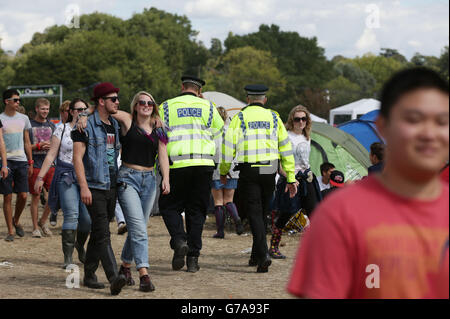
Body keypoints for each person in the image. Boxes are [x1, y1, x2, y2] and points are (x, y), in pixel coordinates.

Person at [288, 67, 449, 299]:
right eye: (413, 120)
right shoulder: (338, 214)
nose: (428, 133)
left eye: (441, 121)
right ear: (383, 127)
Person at [220, 84, 297, 272]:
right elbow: (285, 147)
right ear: (265, 100)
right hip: (269, 169)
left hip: (250, 170)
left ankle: (263, 255)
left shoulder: (240, 117)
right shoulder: (274, 117)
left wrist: (223, 169)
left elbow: (228, 146)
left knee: (254, 212)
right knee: (262, 213)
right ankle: (256, 255)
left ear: (247, 99)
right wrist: (290, 176)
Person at [158, 75, 224, 273]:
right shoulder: (209, 107)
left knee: (169, 207)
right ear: (199, 90)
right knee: (197, 212)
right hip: (203, 164)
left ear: (182, 87)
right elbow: (219, 135)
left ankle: (179, 240)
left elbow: (160, 136)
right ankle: (193, 258)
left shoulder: (166, 107)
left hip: (176, 164)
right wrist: (218, 165)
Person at [72, 82, 126, 295]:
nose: (117, 102)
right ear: (102, 101)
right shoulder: (84, 126)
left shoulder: (114, 123)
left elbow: (130, 114)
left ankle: (90, 274)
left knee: (98, 231)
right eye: (113, 99)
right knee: (103, 232)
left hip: (112, 184)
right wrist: (83, 187)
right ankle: (114, 277)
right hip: (93, 185)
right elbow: (77, 158)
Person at [35, 98, 91, 268]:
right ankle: (68, 258)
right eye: (79, 109)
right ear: (72, 111)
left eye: (85, 109)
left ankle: (79, 245)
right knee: (71, 215)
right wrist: (40, 177)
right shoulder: (62, 128)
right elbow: (51, 154)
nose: (82, 111)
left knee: (87, 221)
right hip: (65, 176)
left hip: (85, 178)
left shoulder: (90, 129)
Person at [269, 105, 322, 259]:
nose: (300, 122)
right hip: (290, 180)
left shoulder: (307, 136)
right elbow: (278, 164)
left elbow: (306, 161)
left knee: (314, 213)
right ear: (292, 119)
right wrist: (288, 177)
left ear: (307, 121)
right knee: (287, 213)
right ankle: (273, 247)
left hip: (307, 179)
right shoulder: (285, 136)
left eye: (303, 119)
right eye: (297, 119)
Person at [0, 89, 33, 242]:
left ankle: (16, 219)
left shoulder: (24, 118)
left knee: (23, 195)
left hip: (21, 160)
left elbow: (27, 142)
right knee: (7, 196)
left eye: (19, 100)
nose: (18, 102)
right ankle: (11, 231)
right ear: (7, 101)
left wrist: (30, 161)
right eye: (15, 100)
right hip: (5, 161)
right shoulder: (0, 118)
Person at [211, 106, 243, 239]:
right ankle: (236, 218)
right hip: (233, 166)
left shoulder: (212, 131)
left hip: (217, 166)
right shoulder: (233, 130)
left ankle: (220, 231)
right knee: (229, 200)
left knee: (218, 201)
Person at [28, 98, 56, 238]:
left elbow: (57, 146)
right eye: (42, 109)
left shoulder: (52, 126)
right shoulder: (29, 126)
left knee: (53, 196)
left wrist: (52, 146)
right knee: (36, 197)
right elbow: (26, 147)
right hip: (36, 165)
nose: (45, 111)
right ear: (37, 109)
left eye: (47, 109)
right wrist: (38, 146)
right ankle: (34, 227)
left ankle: (43, 221)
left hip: (50, 165)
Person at [49, 100, 72, 227]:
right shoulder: (59, 128)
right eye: (66, 111)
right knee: (57, 191)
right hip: (61, 167)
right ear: (62, 113)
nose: (69, 114)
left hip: (75, 167)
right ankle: (54, 211)